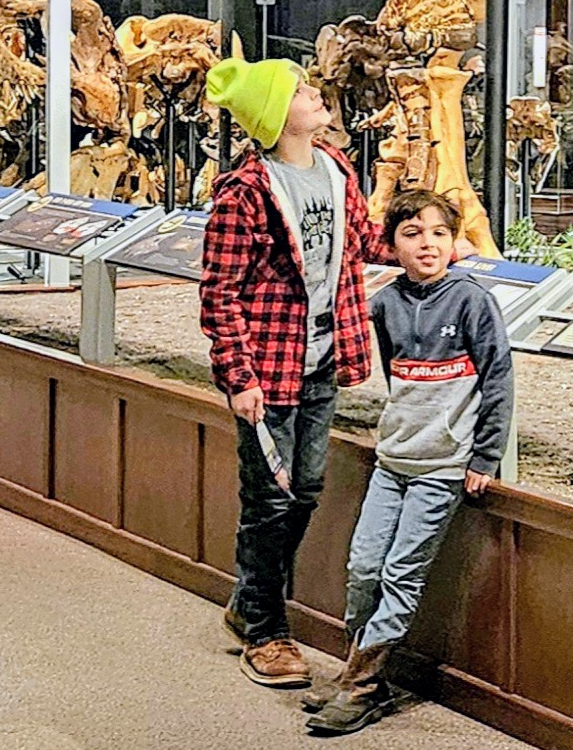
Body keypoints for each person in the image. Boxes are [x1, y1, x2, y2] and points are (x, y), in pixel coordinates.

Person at [200, 50, 393, 691]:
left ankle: (249, 604)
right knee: (268, 500)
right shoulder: (245, 192)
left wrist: (436, 243)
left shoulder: (336, 167)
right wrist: (238, 376)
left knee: (304, 489)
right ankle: (267, 632)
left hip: (322, 362)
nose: (316, 94)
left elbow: (363, 240)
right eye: (302, 90)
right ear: (278, 114)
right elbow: (219, 291)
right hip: (269, 369)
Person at [306, 186, 513, 736]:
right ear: (392, 243)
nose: (428, 244)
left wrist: (484, 456)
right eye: (413, 233)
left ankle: (363, 685)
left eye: (440, 233)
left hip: (443, 466)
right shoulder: (387, 302)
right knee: (363, 567)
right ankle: (357, 667)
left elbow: (499, 379)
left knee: (401, 573)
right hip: (393, 459)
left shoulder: (472, 300)